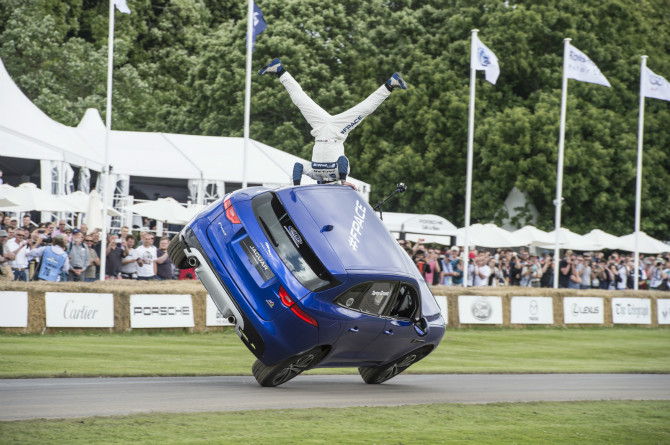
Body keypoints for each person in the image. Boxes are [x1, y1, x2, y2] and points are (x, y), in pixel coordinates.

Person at [258, 58, 407, 186]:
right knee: (363, 109)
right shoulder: (335, 174)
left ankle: (280, 70)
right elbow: (343, 161)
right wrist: (343, 180)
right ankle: (390, 84)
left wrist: (296, 187)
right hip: (337, 130)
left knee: (300, 99)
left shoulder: (315, 174)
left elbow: (298, 166)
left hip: (320, 128)